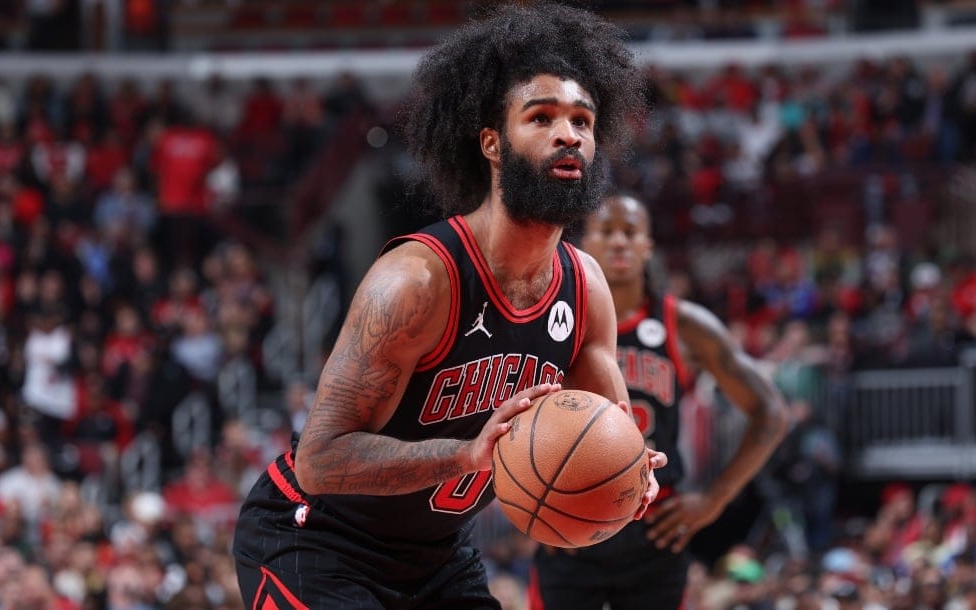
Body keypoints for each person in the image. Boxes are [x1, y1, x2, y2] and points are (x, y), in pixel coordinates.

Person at [232, 5, 664, 609]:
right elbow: (320, 460)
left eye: (582, 121)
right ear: (491, 142)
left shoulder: (585, 288)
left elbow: (609, 432)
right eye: (541, 117)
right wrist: (465, 455)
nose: (569, 133)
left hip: (436, 556)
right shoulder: (417, 280)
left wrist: (631, 473)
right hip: (317, 538)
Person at [529, 194, 789, 610]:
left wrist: (715, 498)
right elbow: (508, 411)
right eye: (607, 231)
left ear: (647, 246)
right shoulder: (553, 321)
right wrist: (526, 504)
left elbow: (771, 412)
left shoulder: (684, 325)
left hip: (655, 527)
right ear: (584, 243)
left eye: (630, 233)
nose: (618, 242)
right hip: (570, 524)